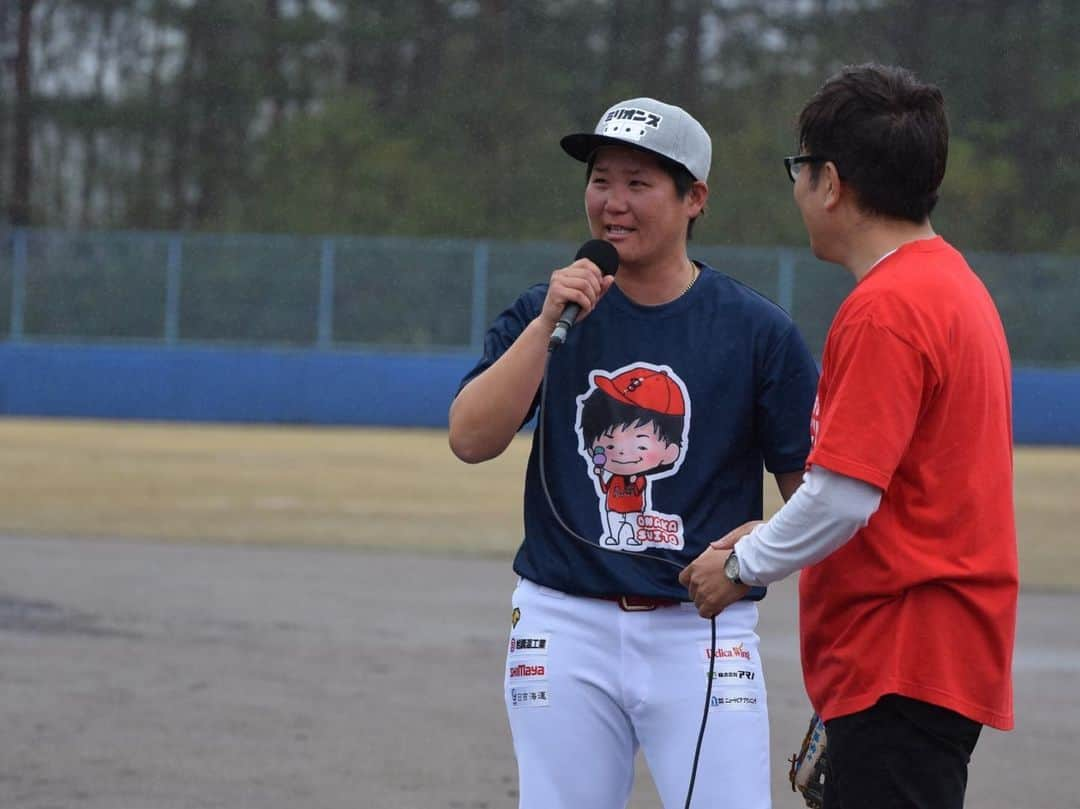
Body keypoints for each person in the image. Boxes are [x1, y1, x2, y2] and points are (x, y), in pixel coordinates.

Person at [449, 96, 818, 809]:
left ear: (695, 199)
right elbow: (470, 437)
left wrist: (755, 547)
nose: (613, 202)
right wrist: (549, 325)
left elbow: (816, 494)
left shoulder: (757, 331)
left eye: (639, 183)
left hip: (703, 629)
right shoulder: (545, 311)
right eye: (601, 180)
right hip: (563, 623)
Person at [679, 64, 1018, 809]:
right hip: (929, 652)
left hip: (904, 650)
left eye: (800, 170)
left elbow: (842, 496)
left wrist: (741, 561)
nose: (797, 189)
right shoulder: (949, 282)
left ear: (830, 182)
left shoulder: (888, 308)